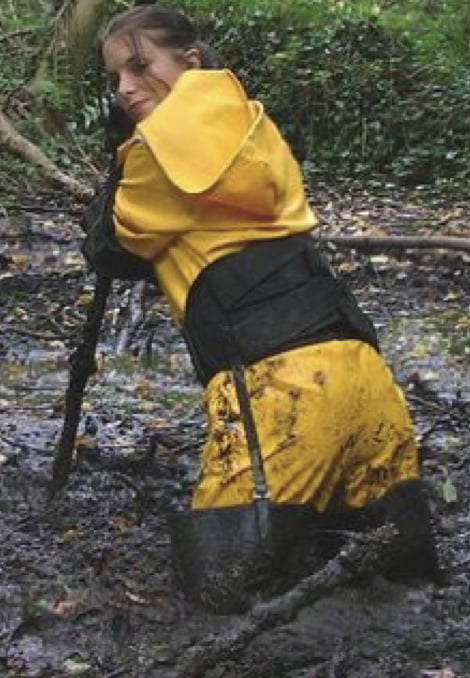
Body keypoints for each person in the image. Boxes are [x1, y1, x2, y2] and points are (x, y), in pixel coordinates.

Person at [91, 3, 439, 609]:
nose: (125, 88)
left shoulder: (151, 158)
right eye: (116, 77)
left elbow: (114, 246)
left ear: (190, 62)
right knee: (395, 579)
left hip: (278, 393)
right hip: (367, 377)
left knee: (224, 599)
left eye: (140, 66)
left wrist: (118, 163)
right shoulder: (257, 126)